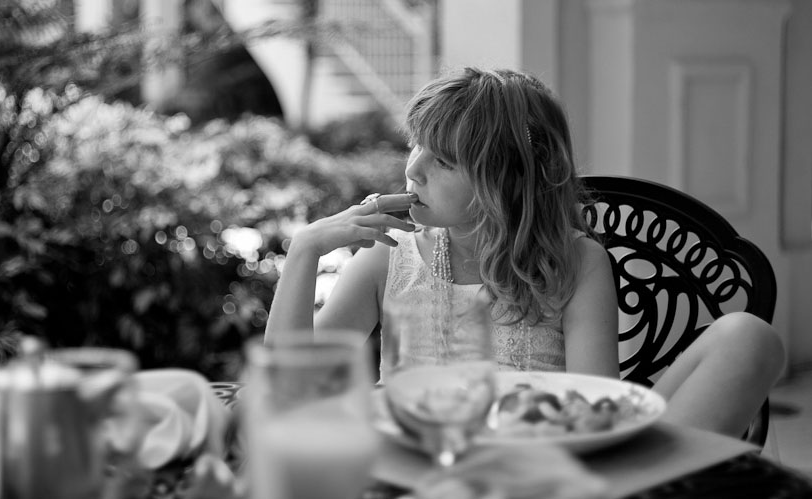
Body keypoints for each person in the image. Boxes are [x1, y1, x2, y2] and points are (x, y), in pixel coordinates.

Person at [265, 67, 784, 439]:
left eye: (442, 160)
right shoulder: (388, 261)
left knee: (747, 337)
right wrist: (305, 252)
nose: (414, 170)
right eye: (414, 146)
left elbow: (596, 414)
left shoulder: (574, 263)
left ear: (505, 180)